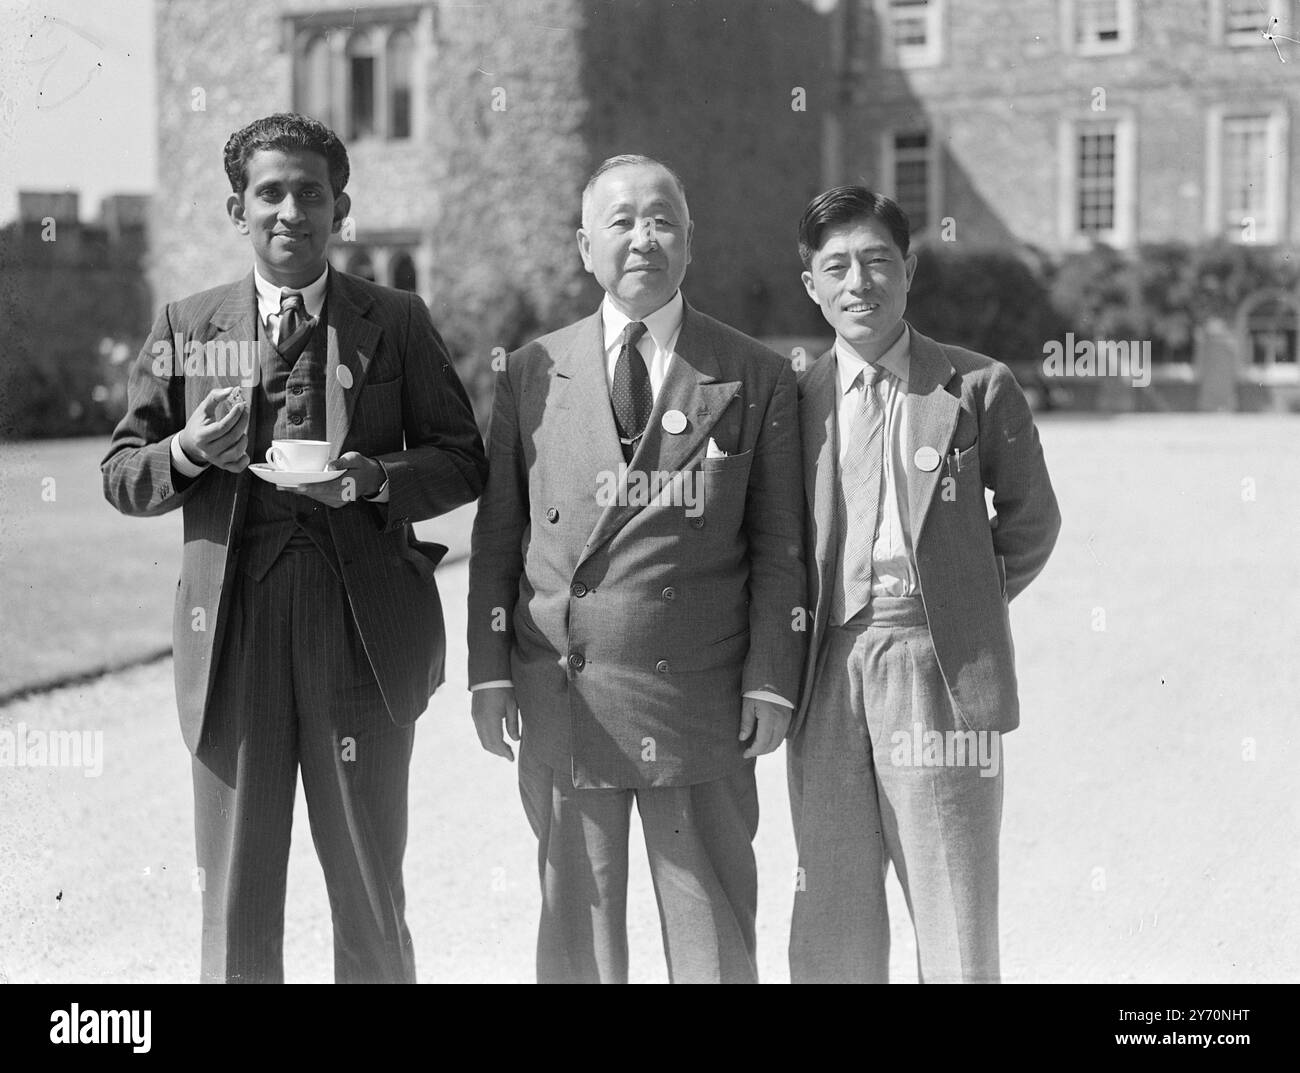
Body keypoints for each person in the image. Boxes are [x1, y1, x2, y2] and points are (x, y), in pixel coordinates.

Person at [101, 113, 487, 983]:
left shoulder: (395, 317)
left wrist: (370, 478)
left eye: (310, 193)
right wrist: (191, 451)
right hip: (232, 635)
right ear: (237, 208)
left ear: (340, 208)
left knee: (368, 890)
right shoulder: (187, 324)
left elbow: (465, 458)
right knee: (234, 896)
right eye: (269, 192)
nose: (290, 211)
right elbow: (124, 470)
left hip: (362, 636)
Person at [466, 154, 805, 983]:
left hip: (700, 697)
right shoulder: (532, 373)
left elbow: (780, 546)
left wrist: (769, 678)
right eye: (621, 221)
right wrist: (488, 673)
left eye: (662, 220)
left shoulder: (754, 375)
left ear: (690, 241)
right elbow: (498, 534)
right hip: (564, 697)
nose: (642, 237)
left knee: (713, 934)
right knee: (577, 936)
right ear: (586, 247)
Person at [788, 186, 1060, 983]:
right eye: (835, 266)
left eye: (876, 260)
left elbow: (1031, 521)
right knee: (832, 901)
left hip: (936, 664)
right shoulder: (794, 400)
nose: (858, 282)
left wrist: (959, 597)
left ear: (908, 268)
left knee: (952, 896)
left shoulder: (975, 386)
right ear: (812, 286)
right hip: (828, 668)